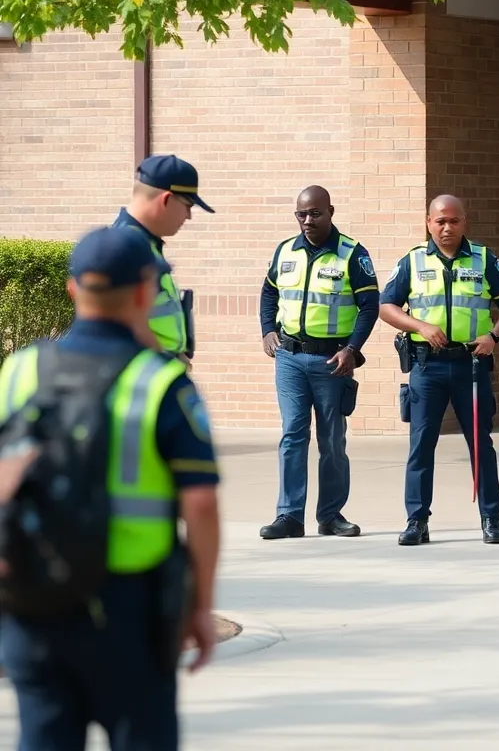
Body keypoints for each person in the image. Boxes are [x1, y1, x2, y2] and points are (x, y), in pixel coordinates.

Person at [0, 225, 221, 751]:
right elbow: (201, 501)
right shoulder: (161, 380)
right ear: (145, 291)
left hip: (34, 598)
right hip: (127, 609)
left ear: (73, 289)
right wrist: (200, 605)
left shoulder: (18, 370)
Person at [379, 194, 499, 545]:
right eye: (440, 221)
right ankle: (416, 520)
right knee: (420, 445)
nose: (446, 227)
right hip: (427, 367)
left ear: (464, 222)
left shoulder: (484, 259)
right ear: (428, 223)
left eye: (453, 221)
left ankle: (491, 518)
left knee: (480, 445)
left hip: (471, 364)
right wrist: (420, 327)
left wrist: (493, 336)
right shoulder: (412, 262)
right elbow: (386, 306)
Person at [257, 186, 379, 540]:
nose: (307, 220)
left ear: (331, 211)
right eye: (301, 214)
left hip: (331, 362)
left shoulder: (352, 254)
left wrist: (353, 350)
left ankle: (330, 516)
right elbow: (269, 293)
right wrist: (267, 330)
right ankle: (289, 517)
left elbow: (370, 306)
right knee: (293, 436)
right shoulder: (285, 251)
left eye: (315, 213)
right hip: (290, 359)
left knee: (332, 440)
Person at [113, 154, 214, 362]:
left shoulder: (142, 244)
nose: (188, 216)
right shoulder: (127, 248)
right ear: (166, 199)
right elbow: (119, 326)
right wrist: (169, 364)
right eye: (188, 205)